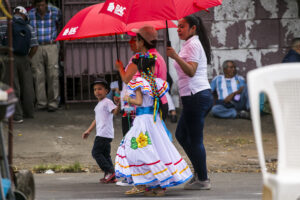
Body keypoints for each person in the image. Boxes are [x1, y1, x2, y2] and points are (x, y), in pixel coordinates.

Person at [115, 52, 192, 196]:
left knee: (135, 148)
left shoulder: (139, 82)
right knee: (157, 148)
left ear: (139, 68)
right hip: (154, 120)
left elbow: (138, 102)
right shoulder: (157, 82)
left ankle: (142, 183)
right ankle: (156, 185)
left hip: (143, 120)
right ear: (151, 67)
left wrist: (127, 98)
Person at [166, 15, 213, 190]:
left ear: (193, 28)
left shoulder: (193, 44)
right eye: (177, 27)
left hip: (197, 96)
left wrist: (175, 57)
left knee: (194, 140)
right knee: (181, 135)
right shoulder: (189, 43)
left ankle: (203, 179)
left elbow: (191, 71)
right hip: (193, 97)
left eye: (182, 26)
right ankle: (200, 173)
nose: (178, 29)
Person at [0, 6, 38, 123]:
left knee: (13, 86)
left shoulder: (4, 25)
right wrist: (28, 58)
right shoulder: (29, 27)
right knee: (27, 86)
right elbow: (35, 46)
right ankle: (29, 112)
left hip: (9, 58)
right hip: (24, 58)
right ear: (24, 15)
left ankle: (17, 115)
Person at [82, 78, 120, 184]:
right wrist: (88, 131)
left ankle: (110, 171)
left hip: (103, 134)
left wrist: (119, 103)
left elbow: (115, 112)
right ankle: (111, 176)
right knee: (105, 155)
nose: (97, 92)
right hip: (104, 134)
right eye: (95, 89)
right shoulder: (99, 105)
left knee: (96, 152)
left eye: (100, 89)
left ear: (106, 91)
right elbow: (96, 119)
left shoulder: (107, 102)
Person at [28, 0, 61, 112]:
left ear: (46, 4)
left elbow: (61, 25)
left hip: (51, 45)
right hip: (36, 46)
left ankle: (53, 102)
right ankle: (41, 102)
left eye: (42, 5)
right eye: (38, 5)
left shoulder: (55, 12)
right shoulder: (31, 14)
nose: (40, 7)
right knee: (38, 75)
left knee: (53, 74)